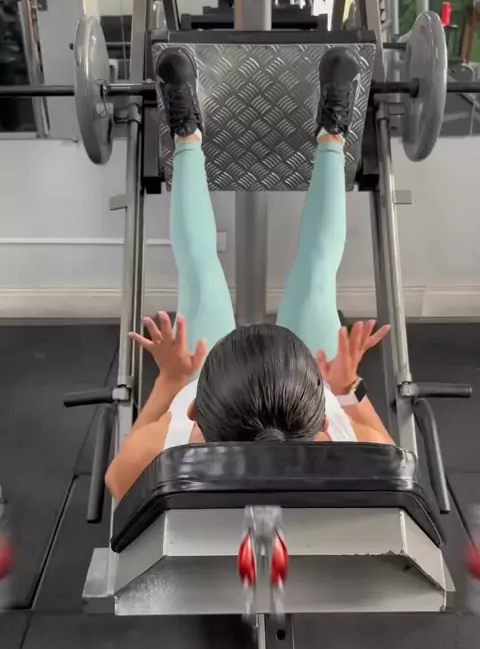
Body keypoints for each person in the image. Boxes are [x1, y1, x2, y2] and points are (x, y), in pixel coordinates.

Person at [106, 47, 393, 502]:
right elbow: (393, 455)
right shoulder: (366, 463)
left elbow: (116, 478)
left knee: (203, 271)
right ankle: (332, 132)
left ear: (195, 409)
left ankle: (188, 135)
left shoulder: (159, 459)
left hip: (261, 394)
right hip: (281, 395)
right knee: (316, 275)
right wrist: (345, 389)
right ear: (322, 422)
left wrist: (170, 381)